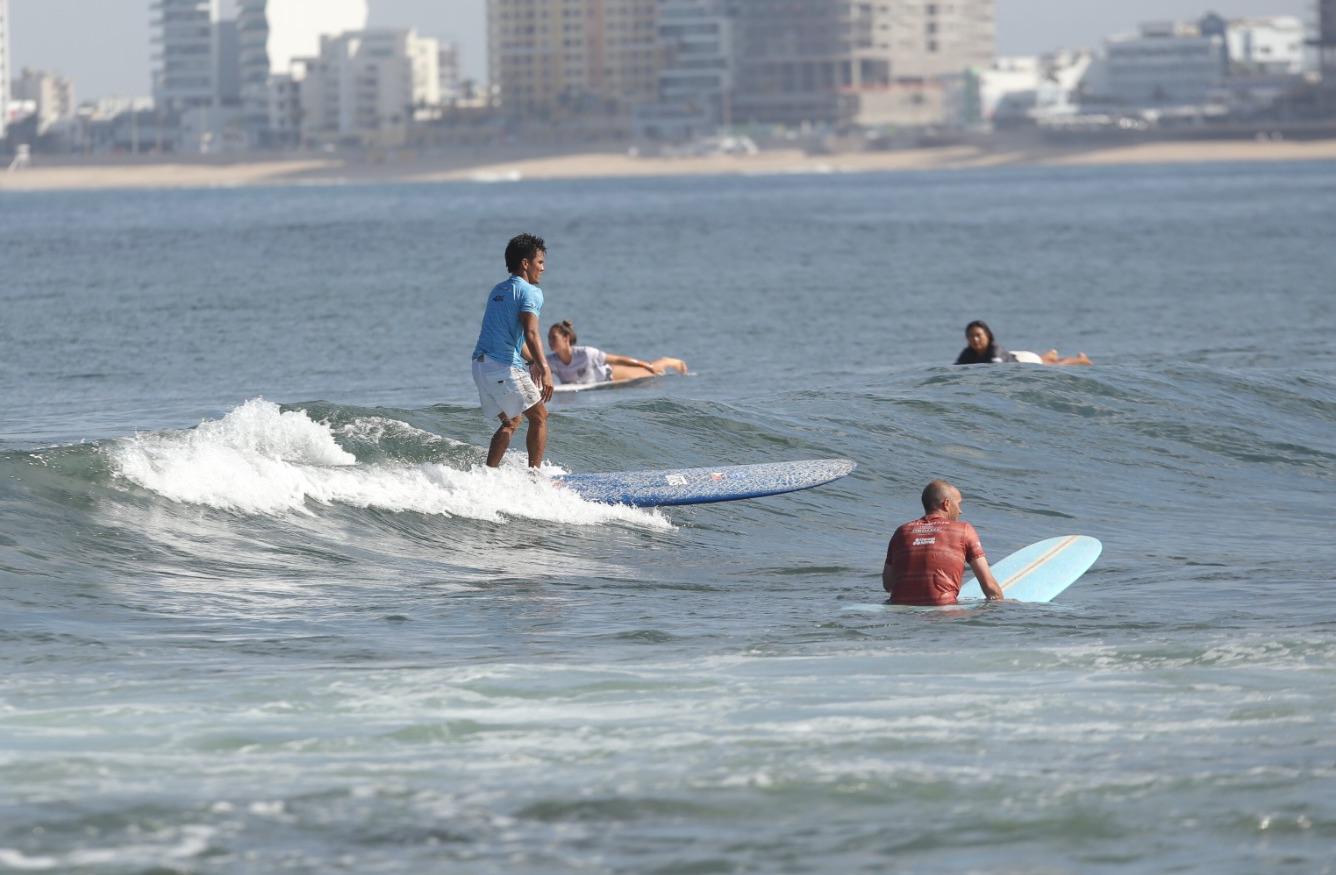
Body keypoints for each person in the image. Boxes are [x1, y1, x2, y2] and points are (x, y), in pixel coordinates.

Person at [471, 233, 554, 468]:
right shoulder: (530, 292)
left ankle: (489, 473)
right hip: (502, 366)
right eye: (540, 262)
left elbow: (512, 339)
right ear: (525, 263)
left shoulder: (498, 291)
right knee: (539, 417)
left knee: (512, 421)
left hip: (480, 365)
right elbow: (531, 333)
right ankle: (535, 479)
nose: (543, 268)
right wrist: (546, 369)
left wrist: (533, 362)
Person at [882, 479, 1005, 605]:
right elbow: (990, 587)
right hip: (943, 613)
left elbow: (888, 584)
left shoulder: (901, 532)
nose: (960, 511)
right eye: (958, 504)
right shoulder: (963, 530)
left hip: (901, 612)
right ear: (946, 504)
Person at [545, 320, 689, 386]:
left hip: (611, 375)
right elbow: (539, 372)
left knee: (651, 372)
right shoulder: (550, 360)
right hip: (590, 384)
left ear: (566, 338)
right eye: (548, 338)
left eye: (553, 338)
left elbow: (617, 359)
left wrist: (644, 364)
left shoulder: (586, 354)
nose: (550, 341)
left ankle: (668, 361)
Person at [954, 320, 1091, 366]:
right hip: (1012, 356)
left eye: (978, 335)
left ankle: (1080, 359)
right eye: (971, 336)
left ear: (988, 336)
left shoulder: (994, 350)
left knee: (1054, 366)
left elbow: (994, 373)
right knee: (1043, 360)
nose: (975, 339)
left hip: (1022, 361)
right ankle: (1051, 354)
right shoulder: (968, 353)